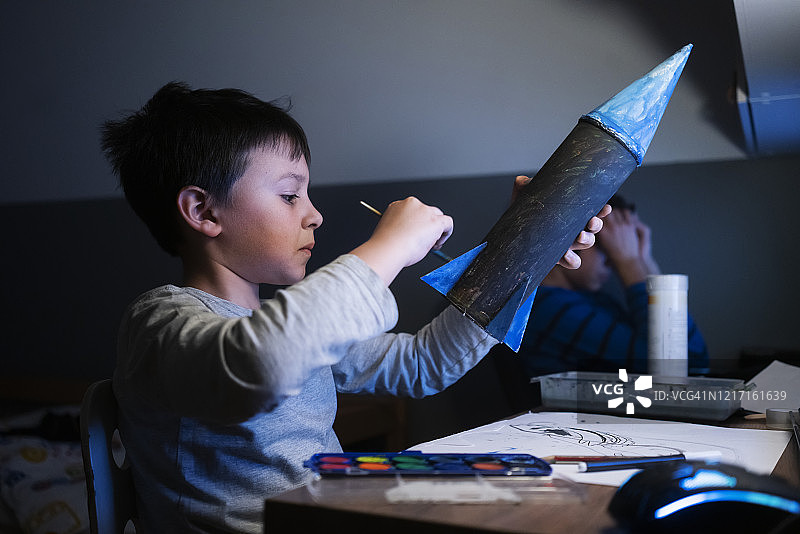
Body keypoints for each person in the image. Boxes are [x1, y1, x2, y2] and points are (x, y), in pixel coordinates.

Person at [101, 82, 608, 533]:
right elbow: (259, 362)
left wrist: (525, 251)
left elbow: (422, 364)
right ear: (204, 211)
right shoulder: (159, 323)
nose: (313, 214)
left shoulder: (293, 326)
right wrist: (386, 250)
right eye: (287, 195)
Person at [518, 195, 709, 378]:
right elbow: (683, 368)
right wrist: (630, 262)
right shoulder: (548, 308)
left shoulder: (592, 300)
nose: (612, 261)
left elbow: (692, 360)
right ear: (571, 238)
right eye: (608, 245)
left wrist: (644, 260)